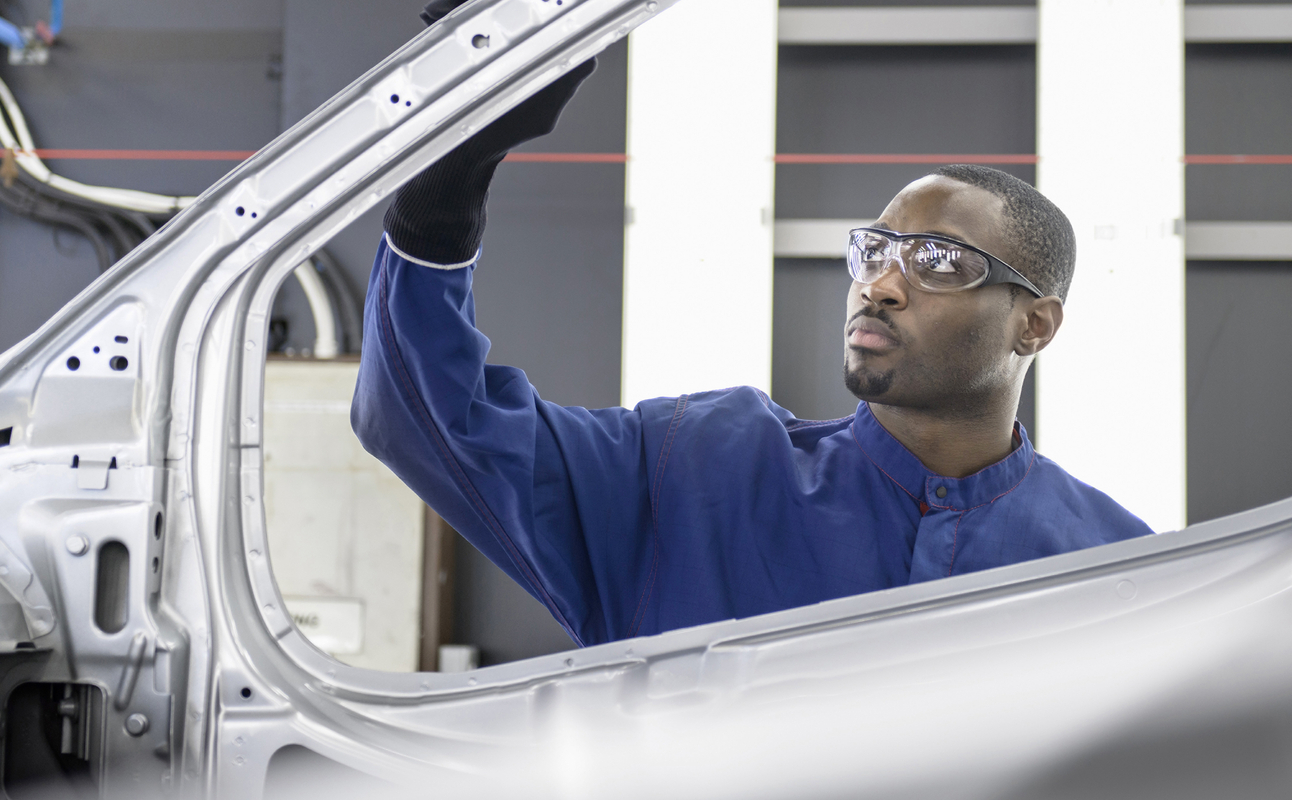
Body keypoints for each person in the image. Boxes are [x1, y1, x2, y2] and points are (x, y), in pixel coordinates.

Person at [353, 0, 1154, 648]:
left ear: (1035, 326)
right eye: (873, 251)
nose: (881, 285)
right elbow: (427, 419)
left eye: (938, 262)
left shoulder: (1122, 571)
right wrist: (445, 181)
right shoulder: (694, 474)